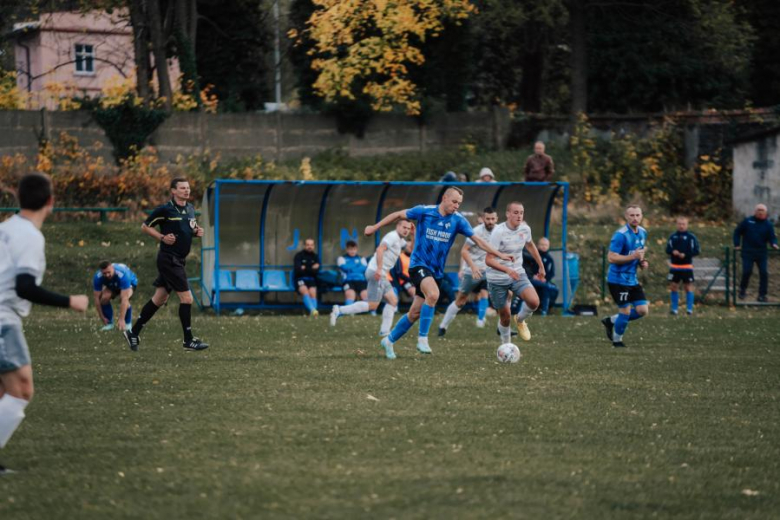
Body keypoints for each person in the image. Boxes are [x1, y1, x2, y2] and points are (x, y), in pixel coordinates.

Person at [0, 173, 89, 474]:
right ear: (51, 202)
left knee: (2, 392)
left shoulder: (7, 228)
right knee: (21, 390)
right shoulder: (29, 236)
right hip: (2, 320)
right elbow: (25, 286)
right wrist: (69, 301)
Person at [365, 187, 512, 359]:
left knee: (414, 313)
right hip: (418, 265)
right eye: (454, 201)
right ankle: (423, 339)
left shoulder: (458, 220)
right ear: (444, 198)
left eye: (459, 203)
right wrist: (375, 227)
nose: (457, 205)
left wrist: (499, 254)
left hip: (436, 271)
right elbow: (398, 215)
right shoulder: (424, 211)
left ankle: (388, 341)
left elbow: (477, 240)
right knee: (433, 294)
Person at [123, 177, 208, 352]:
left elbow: (188, 228)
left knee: (160, 298)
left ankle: (134, 332)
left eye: (188, 188)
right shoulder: (165, 209)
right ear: (173, 191)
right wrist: (162, 237)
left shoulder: (191, 208)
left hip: (179, 260)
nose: (187, 190)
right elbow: (145, 226)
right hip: (169, 259)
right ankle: (188, 341)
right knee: (187, 298)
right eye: (182, 188)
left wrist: (196, 232)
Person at [331, 220, 414, 335]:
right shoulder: (392, 237)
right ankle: (339, 310)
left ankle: (384, 331)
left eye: (408, 228)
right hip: (376, 272)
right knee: (373, 305)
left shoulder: (400, 240)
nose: (406, 230)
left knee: (393, 301)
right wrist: (379, 269)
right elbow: (379, 249)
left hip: (380, 274)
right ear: (397, 226)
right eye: (404, 227)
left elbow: (411, 249)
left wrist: (414, 235)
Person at [485, 202, 544, 344]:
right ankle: (507, 345)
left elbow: (530, 245)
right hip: (497, 278)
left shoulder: (525, 229)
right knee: (505, 317)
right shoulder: (498, 232)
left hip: (517, 273)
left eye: (521, 212)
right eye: (515, 212)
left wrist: (541, 266)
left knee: (534, 302)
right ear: (508, 214)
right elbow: (488, 260)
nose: (519, 215)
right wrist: (507, 270)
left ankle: (520, 319)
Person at [438, 207, 498, 336]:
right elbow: (464, 251)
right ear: (483, 219)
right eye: (488, 219)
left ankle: (481, 320)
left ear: (496, 219)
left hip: (487, 270)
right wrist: (472, 267)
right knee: (461, 300)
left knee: (485, 293)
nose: (490, 221)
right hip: (472, 271)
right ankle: (443, 326)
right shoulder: (475, 232)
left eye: (493, 219)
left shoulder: (500, 231)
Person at [601, 205, 649, 348]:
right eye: (632, 215)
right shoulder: (620, 235)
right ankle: (617, 341)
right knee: (626, 311)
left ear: (641, 216)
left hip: (632, 279)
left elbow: (639, 253)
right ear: (626, 217)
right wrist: (633, 257)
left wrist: (642, 261)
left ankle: (611, 321)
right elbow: (611, 257)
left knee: (642, 310)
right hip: (617, 279)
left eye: (637, 215)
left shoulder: (643, 232)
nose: (635, 218)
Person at [733, 204, 779, 302]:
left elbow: (772, 237)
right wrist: (737, 244)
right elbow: (737, 232)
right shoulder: (748, 221)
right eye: (758, 210)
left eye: (762, 210)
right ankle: (742, 290)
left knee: (763, 273)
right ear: (755, 211)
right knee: (747, 271)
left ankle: (762, 295)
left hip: (761, 253)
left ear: (766, 213)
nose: (760, 212)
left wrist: (774, 244)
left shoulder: (768, 225)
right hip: (748, 252)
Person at [666, 217, 700, 315]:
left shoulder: (691, 237)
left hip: (687, 266)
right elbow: (667, 249)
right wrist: (673, 251)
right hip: (674, 267)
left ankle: (689, 310)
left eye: (683, 224)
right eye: (679, 224)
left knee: (688, 287)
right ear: (676, 224)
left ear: (687, 225)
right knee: (673, 286)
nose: (681, 226)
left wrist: (685, 254)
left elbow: (697, 251)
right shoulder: (672, 237)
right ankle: (674, 309)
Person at [92, 261, 138, 331]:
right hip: (113, 285)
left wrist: (121, 319)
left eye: (108, 272)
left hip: (130, 283)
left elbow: (124, 299)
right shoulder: (98, 277)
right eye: (104, 273)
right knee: (104, 298)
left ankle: (128, 324)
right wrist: (102, 316)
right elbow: (96, 298)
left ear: (112, 268)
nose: (107, 275)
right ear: (101, 272)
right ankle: (109, 324)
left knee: (124, 299)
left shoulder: (122, 274)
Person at [522, 237, 559, 315]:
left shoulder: (549, 259)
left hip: (543, 281)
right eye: (541, 244)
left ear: (548, 246)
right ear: (537, 245)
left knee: (549, 288)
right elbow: (529, 268)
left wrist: (545, 279)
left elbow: (551, 272)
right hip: (531, 279)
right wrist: (533, 276)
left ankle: (544, 310)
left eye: (545, 245)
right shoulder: (532, 256)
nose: (543, 246)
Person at [294, 238, 320, 316]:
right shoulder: (299, 256)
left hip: (311, 279)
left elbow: (316, 271)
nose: (309, 246)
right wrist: (311, 267)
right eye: (308, 245)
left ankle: (313, 313)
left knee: (313, 293)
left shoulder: (315, 256)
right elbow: (298, 270)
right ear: (304, 246)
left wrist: (305, 267)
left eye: (311, 245)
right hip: (300, 278)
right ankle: (313, 311)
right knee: (305, 291)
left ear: (314, 246)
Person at [337, 241, 368, 306]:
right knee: (350, 294)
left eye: (354, 249)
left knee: (365, 294)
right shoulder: (341, 258)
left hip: (361, 280)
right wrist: (357, 266)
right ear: (347, 249)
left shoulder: (361, 258)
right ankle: (348, 312)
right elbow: (344, 268)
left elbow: (364, 268)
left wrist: (351, 268)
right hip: (348, 281)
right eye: (350, 249)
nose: (352, 251)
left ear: (356, 249)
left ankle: (372, 312)